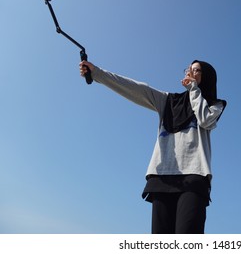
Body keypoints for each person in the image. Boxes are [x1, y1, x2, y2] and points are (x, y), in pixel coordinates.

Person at [79, 60, 226, 234]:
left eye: (197, 70)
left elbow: (205, 120)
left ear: (207, 77)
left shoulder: (215, 105)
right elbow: (136, 88)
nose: (190, 73)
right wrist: (97, 73)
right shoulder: (168, 101)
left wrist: (194, 89)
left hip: (194, 177)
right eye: (189, 69)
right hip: (161, 177)